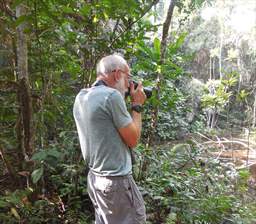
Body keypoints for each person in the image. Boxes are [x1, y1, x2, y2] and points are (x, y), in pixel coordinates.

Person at [73, 54, 147, 224]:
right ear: (117, 74)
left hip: (96, 180)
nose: (130, 83)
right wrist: (137, 105)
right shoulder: (111, 97)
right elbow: (133, 139)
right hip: (116, 184)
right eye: (128, 77)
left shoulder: (82, 97)